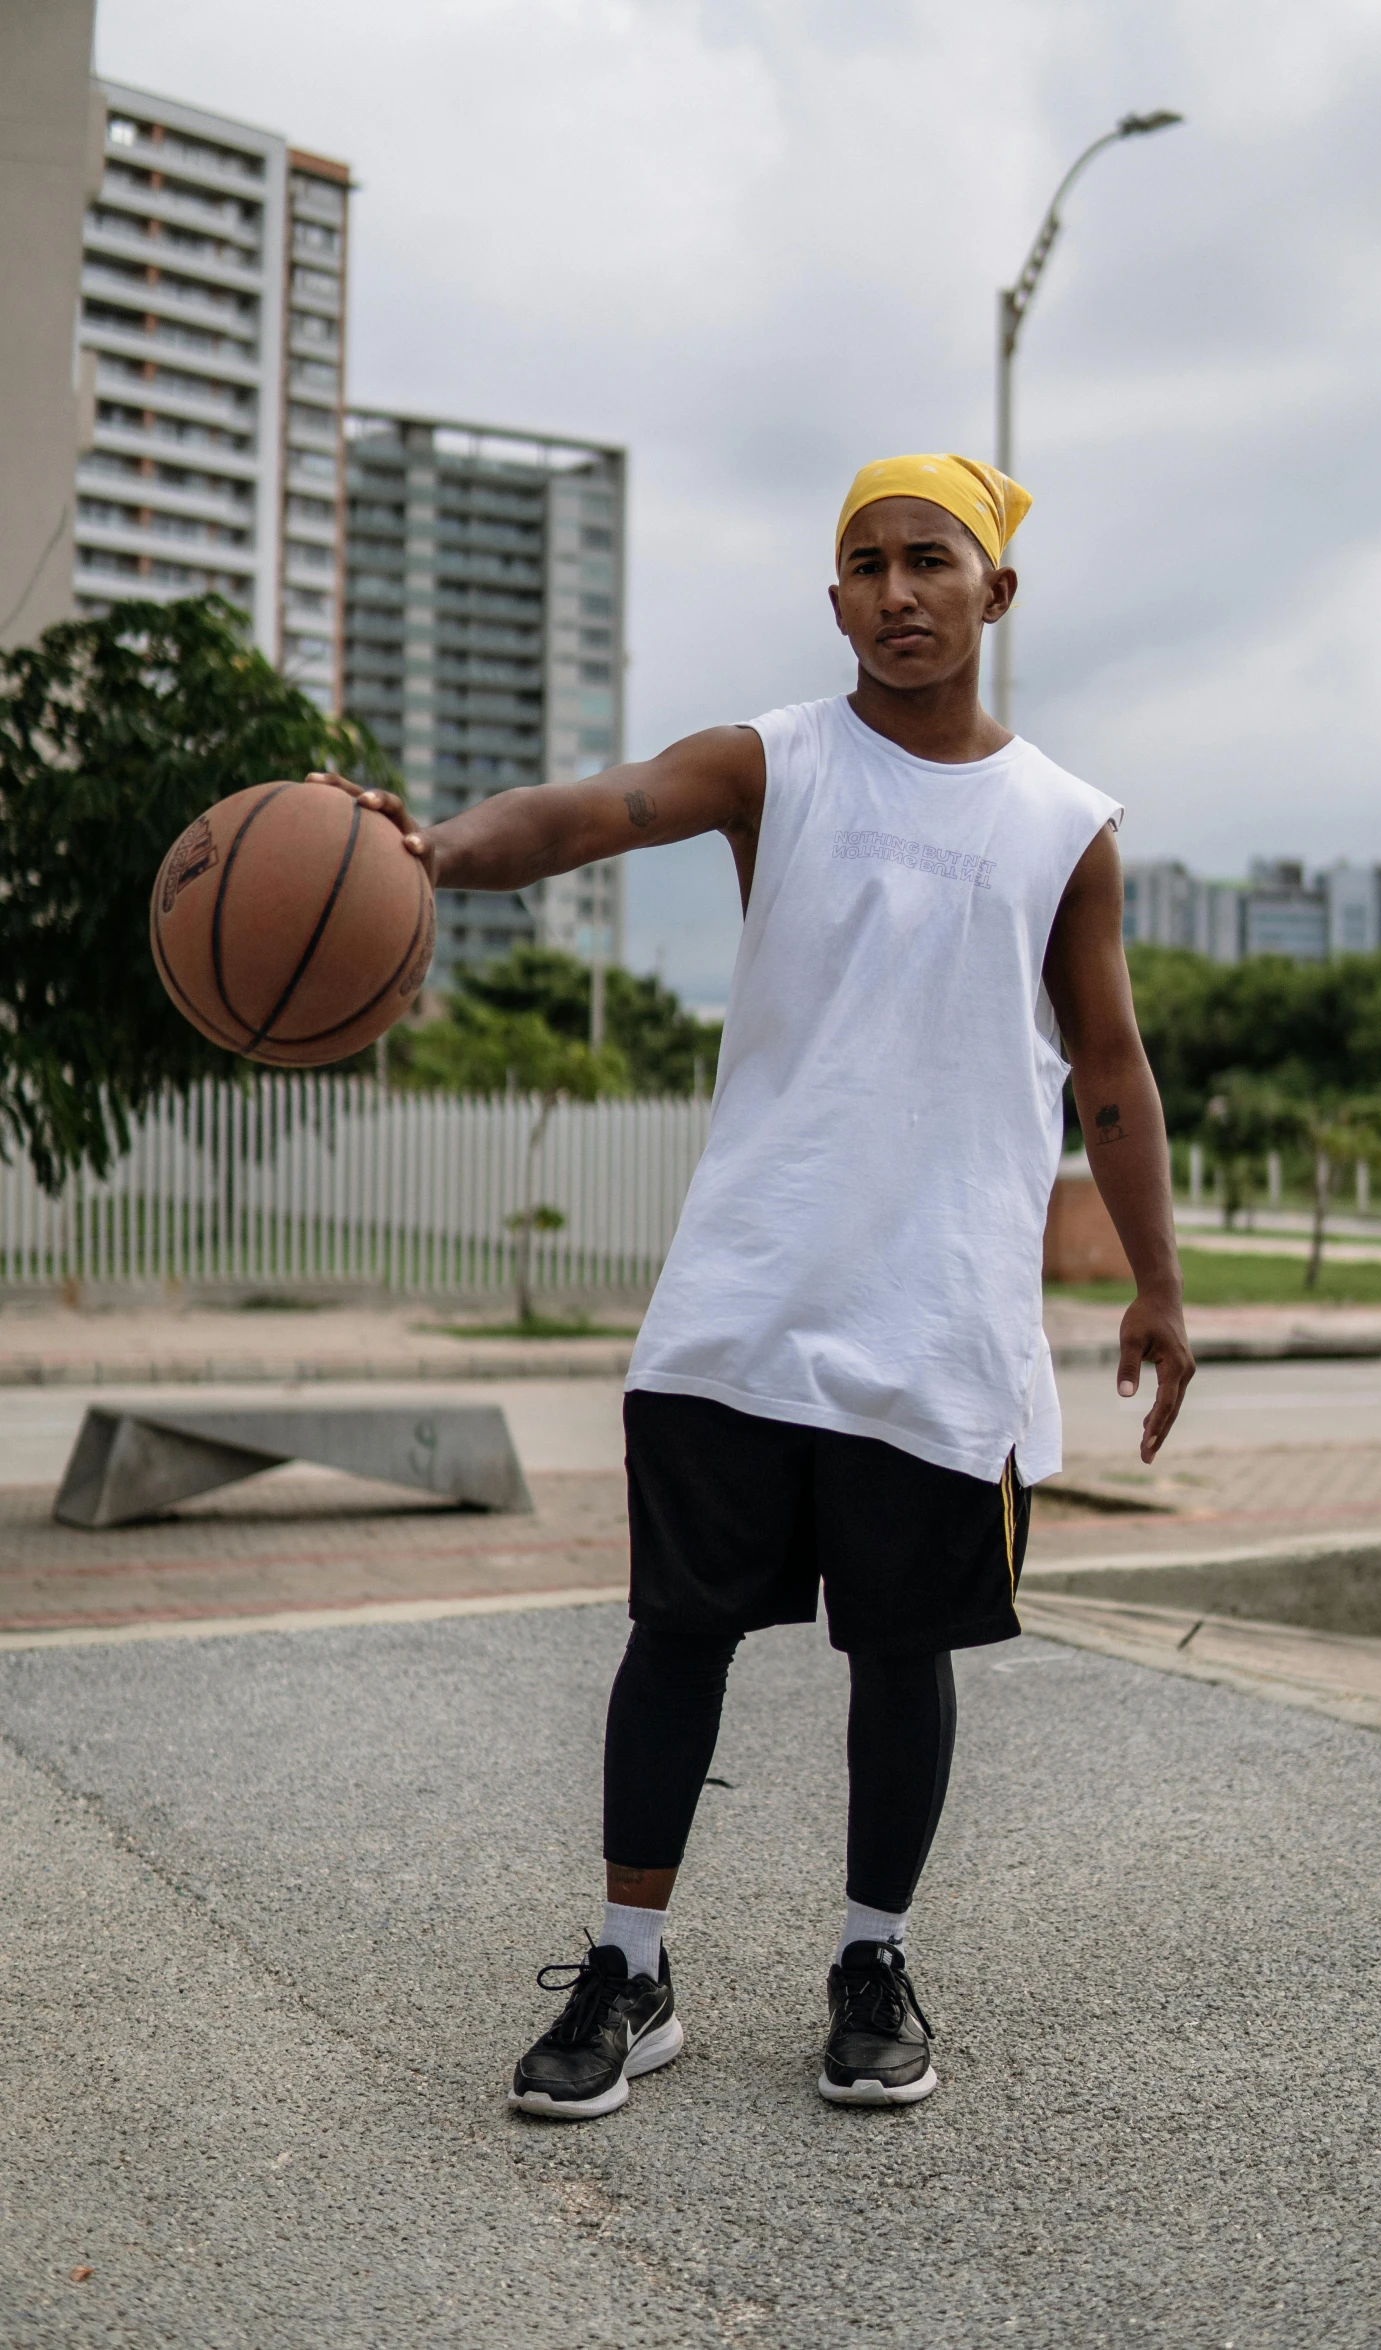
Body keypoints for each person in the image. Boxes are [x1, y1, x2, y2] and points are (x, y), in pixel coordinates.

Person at [326, 451, 1194, 2119]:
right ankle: (625, 1969)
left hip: (934, 1315)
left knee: (901, 1652)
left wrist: (1153, 1280)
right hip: (744, 1292)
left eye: (928, 560)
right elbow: (595, 811)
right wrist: (431, 851)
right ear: (835, 596)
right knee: (676, 1636)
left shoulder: (1058, 825)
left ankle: (871, 1960)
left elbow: (1110, 1065)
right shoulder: (771, 761)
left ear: (992, 591)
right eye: (864, 562)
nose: (895, 591)